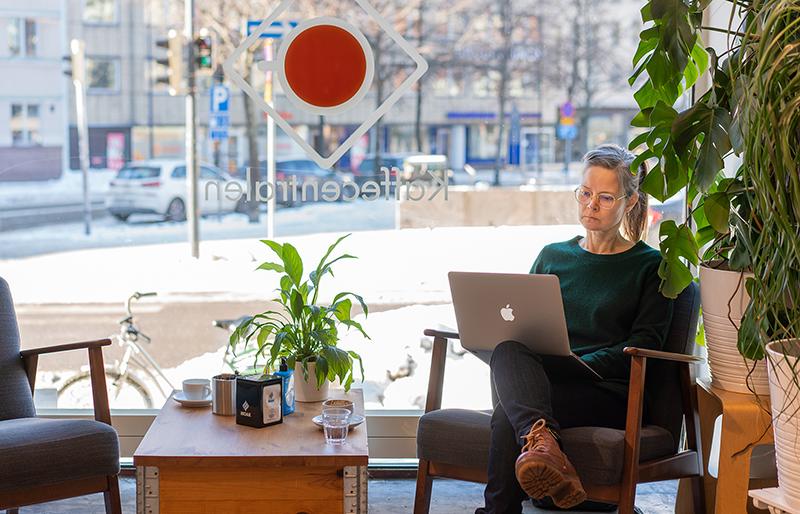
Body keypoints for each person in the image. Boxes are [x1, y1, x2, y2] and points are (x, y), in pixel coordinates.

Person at [476, 144, 674, 513]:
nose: (590, 206)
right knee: (507, 348)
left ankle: (532, 471)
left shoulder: (650, 266)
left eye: (604, 197)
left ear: (630, 203)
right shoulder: (553, 256)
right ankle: (548, 452)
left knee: (508, 411)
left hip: (608, 393)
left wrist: (581, 362)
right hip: (548, 381)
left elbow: (646, 344)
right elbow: (523, 327)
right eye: (584, 193)